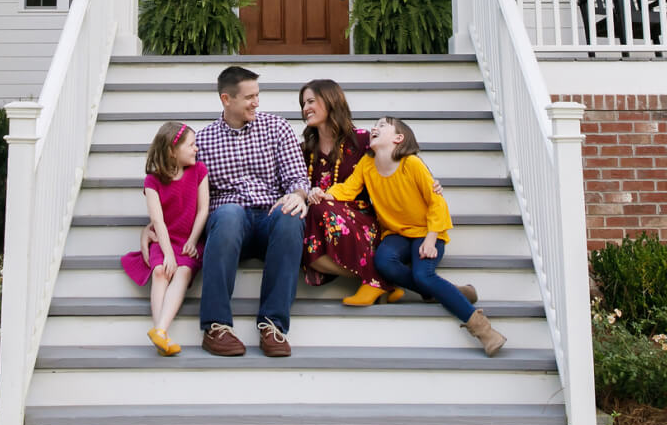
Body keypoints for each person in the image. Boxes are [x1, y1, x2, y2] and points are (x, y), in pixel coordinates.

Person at [312, 116, 507, 356]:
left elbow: (437, 203)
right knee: (383, 263)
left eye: (383, 125)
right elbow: (348, 189)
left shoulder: (411, 164)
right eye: (375, 125)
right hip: (396, 233)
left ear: (398, 138)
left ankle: (484, 330)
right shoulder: (367, 164)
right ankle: (451, 291)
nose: (375, 127)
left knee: (423, 275)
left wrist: (432, 238)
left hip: (426, 232)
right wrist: (325, 194)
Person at [193, 66, 310, 357]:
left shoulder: (277, 128)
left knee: (290, 215)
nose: (257, 102)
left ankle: (272, 325)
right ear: (226, 99)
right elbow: (185, 190)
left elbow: (297, 178)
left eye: (257, 95)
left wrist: (298, 196)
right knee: (229, 213)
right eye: (249, 97)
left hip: (270, 215)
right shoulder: (203, 141)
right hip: (231, 225)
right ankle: (216, 326)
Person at [298, 79, 399, 306]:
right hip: (320, 221)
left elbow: (400, 160)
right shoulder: (305, 150)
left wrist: (431, 182)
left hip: (360, 219)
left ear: (331, 100)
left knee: (320, 208)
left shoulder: (363, 139)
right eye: (303, 104)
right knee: (299, 241)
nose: (305, 109)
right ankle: (380, 279)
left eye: (311, 101)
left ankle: (377, 280)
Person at [120, 122, 208, 356]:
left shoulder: (199, 170)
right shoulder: (152, 181)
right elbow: (157, 221)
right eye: (191, 145)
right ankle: (162, 334)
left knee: (182, 272)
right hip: (164, 239)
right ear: (172, 150)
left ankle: (159, 330)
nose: (196, 149)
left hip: (189, 240)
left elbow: (203, 210)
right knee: (160, 271)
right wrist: (168, 253)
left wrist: (192, 239)